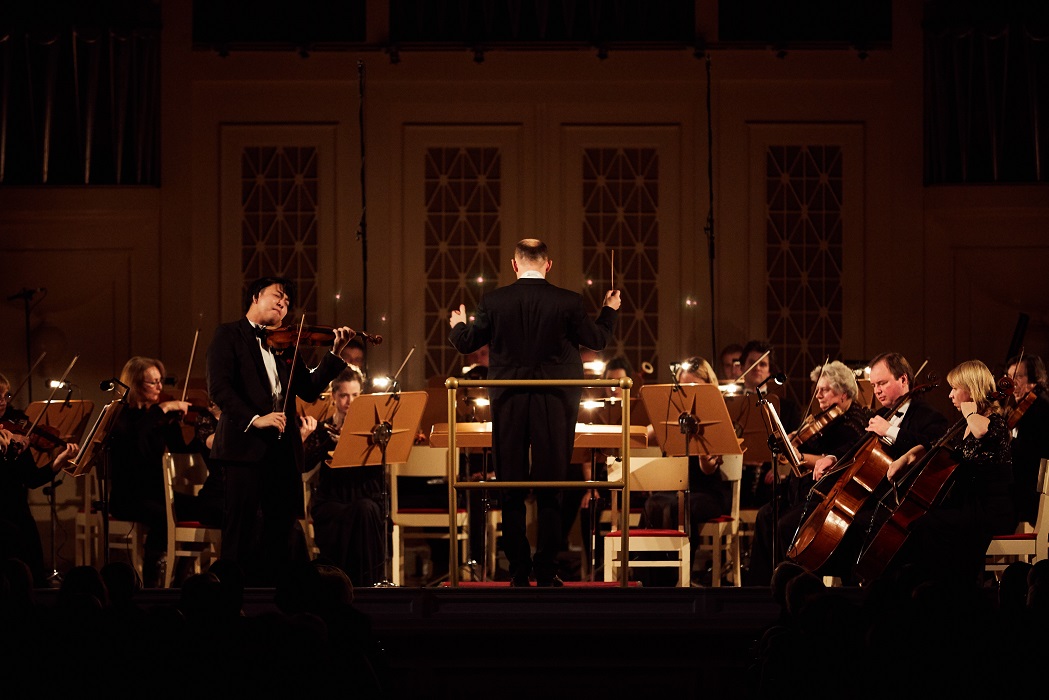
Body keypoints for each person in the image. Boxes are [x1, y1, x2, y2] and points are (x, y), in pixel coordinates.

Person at [448, 239, 620, 586]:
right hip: (555, 402)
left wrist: (458, 323)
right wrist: (610, 308)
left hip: (509, 401)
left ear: (514, 265)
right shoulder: (568, 301)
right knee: (550, 485)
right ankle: (546, 569)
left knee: (510, 484)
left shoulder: (494, 301)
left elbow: (468, 343)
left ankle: (517, 572)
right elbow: (598, 340)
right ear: (548, 264)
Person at [206, 276, 353, 586]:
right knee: (240, 532)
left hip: (282, 452)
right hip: (242, 450)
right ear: (256, 296)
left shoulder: (285, 345)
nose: (284, 303)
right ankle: (232, 602)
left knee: (281, 530)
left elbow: (309, 389)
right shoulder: (228, 334)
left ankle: (275, 602)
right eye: (278, 296)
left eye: (288, 302)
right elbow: (219, 388)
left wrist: (335, 354)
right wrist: (255, 418)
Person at [805, 351, 950, 582]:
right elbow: (856, 445)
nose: (877, 391)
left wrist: (890, 431)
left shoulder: (928, 416)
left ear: (903, 380)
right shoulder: (882, 413)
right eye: (873, 385)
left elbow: (932, 447)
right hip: (870, 498)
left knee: (853, 527)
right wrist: (832, 457)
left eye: (882, 383)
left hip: (897, 500)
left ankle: (860, 591)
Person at [880, 359, 1016, 583]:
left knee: (926, 526)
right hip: (966, 505)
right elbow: (934, 445)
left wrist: (971, 412)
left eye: (955, 388)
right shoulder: (963, 425)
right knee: (918, 523)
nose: (950, 395)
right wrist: (906, 457)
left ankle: (947, 587)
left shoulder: (994, 423)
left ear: (971, 389)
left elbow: (982, 431)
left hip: (988, 510)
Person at [746, 361, 871, 586]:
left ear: (844, 393)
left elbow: (838, 459)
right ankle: (761, 587)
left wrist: (800, 457)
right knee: (765, 515)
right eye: (818, 389)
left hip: (826, 496)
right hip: (804, 491)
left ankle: (792, 588)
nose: (819, 396)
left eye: (825, 390)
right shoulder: (828, 419)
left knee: (784, 525)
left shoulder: (854, 424)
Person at [105, 356, 192, 586]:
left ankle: (179, 578)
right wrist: (162, 409)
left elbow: (182, 452)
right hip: (128, 497)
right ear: (134, 385)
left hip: (156, 493)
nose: (160, 387)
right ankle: (152, 581)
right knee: (164, 516)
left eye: (160, 381)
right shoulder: (120, 417)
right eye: (152, 382)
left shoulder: (159, 418)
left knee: (198, 509)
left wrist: (197, 432)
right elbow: (136, 441)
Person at [303, 368, 385, 587]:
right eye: (344, 395)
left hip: (366, 497)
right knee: (361, 511)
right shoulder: (322, 430)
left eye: (356, 395)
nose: (350, 401)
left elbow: (377, 471)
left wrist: (355, 444)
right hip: (332, 502)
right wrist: (315, 441)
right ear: (334, 397)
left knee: (365, 509)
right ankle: (341, 586)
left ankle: (367, 585)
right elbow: (304, 465)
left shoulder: (374, 431)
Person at [0, 426, 79, 584]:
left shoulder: (15, 439)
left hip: (18, 511)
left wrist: (59, 461)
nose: (2, 400)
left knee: (30, 552)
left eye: (4, 398)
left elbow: (32, 479)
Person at [1004, 354, 1049, 526]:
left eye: (1018, 377)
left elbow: (1031, 454)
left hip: (1032, 491)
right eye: (1009, 377)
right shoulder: (1024, 407)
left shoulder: (1040, 408)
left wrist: (1007, 441)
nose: (1011, 383)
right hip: (1026, 486)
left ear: (1034, 379)